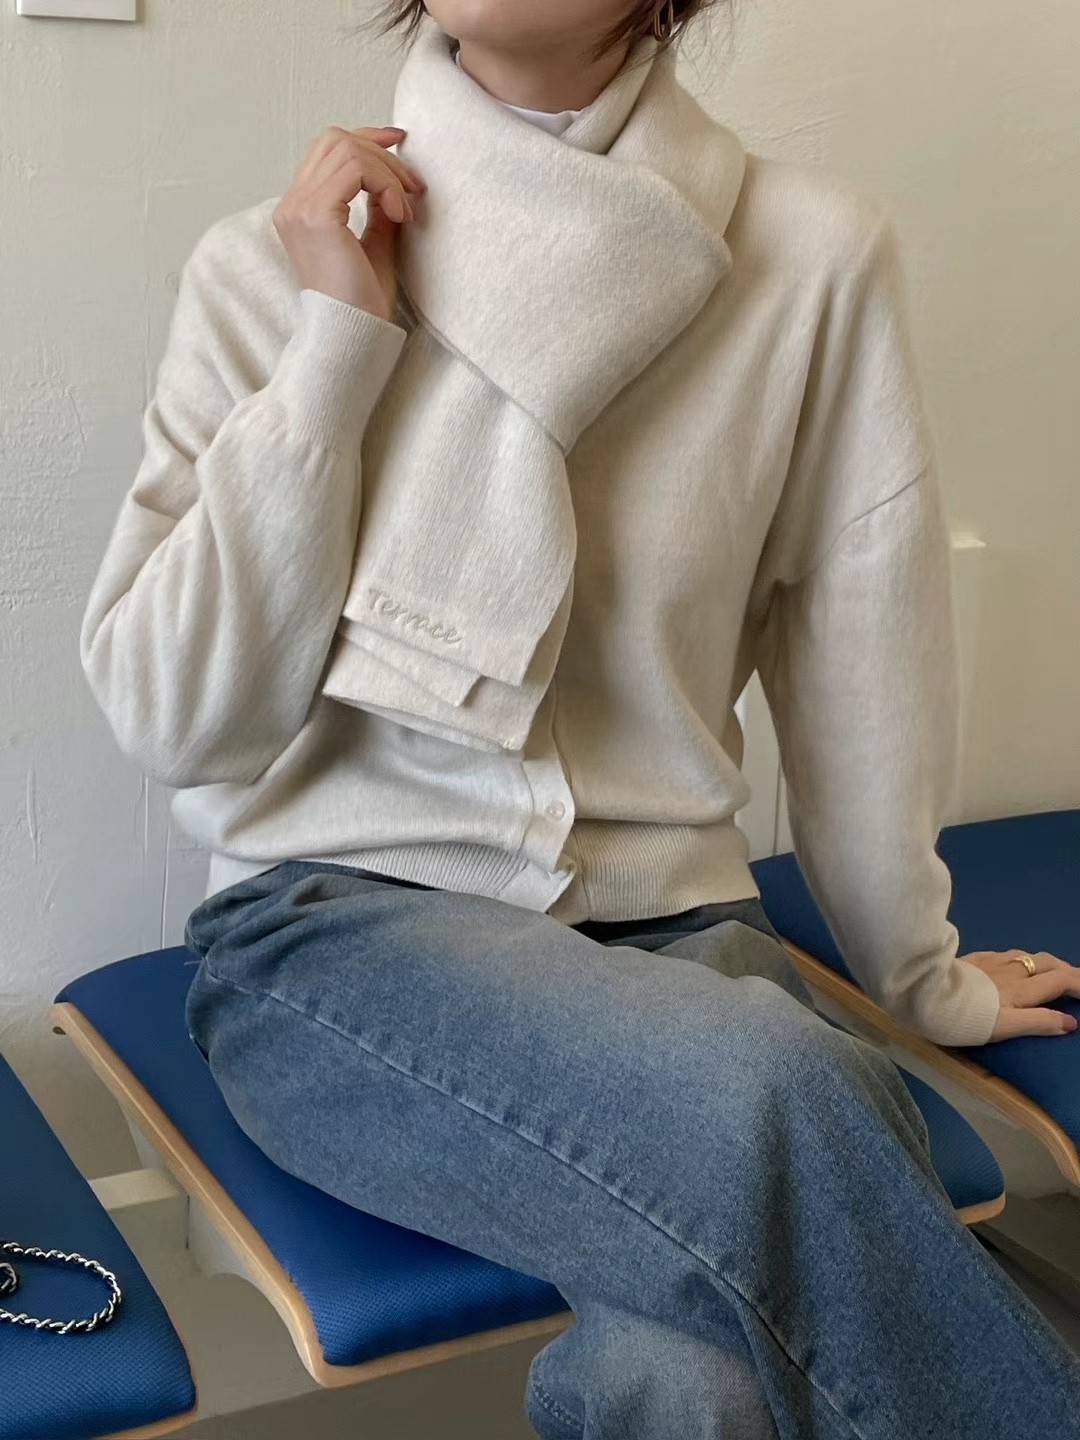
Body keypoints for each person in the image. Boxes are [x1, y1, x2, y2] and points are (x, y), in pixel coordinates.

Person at [80, 2, 1080, 1435]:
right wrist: (334, 348)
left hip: (679, 938)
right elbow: (178, 720)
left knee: (698, 1372)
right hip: (338, 942)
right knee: (784, 1088)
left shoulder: (809, 261)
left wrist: (919, 974)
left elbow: (862, 656)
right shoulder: (274, 263)